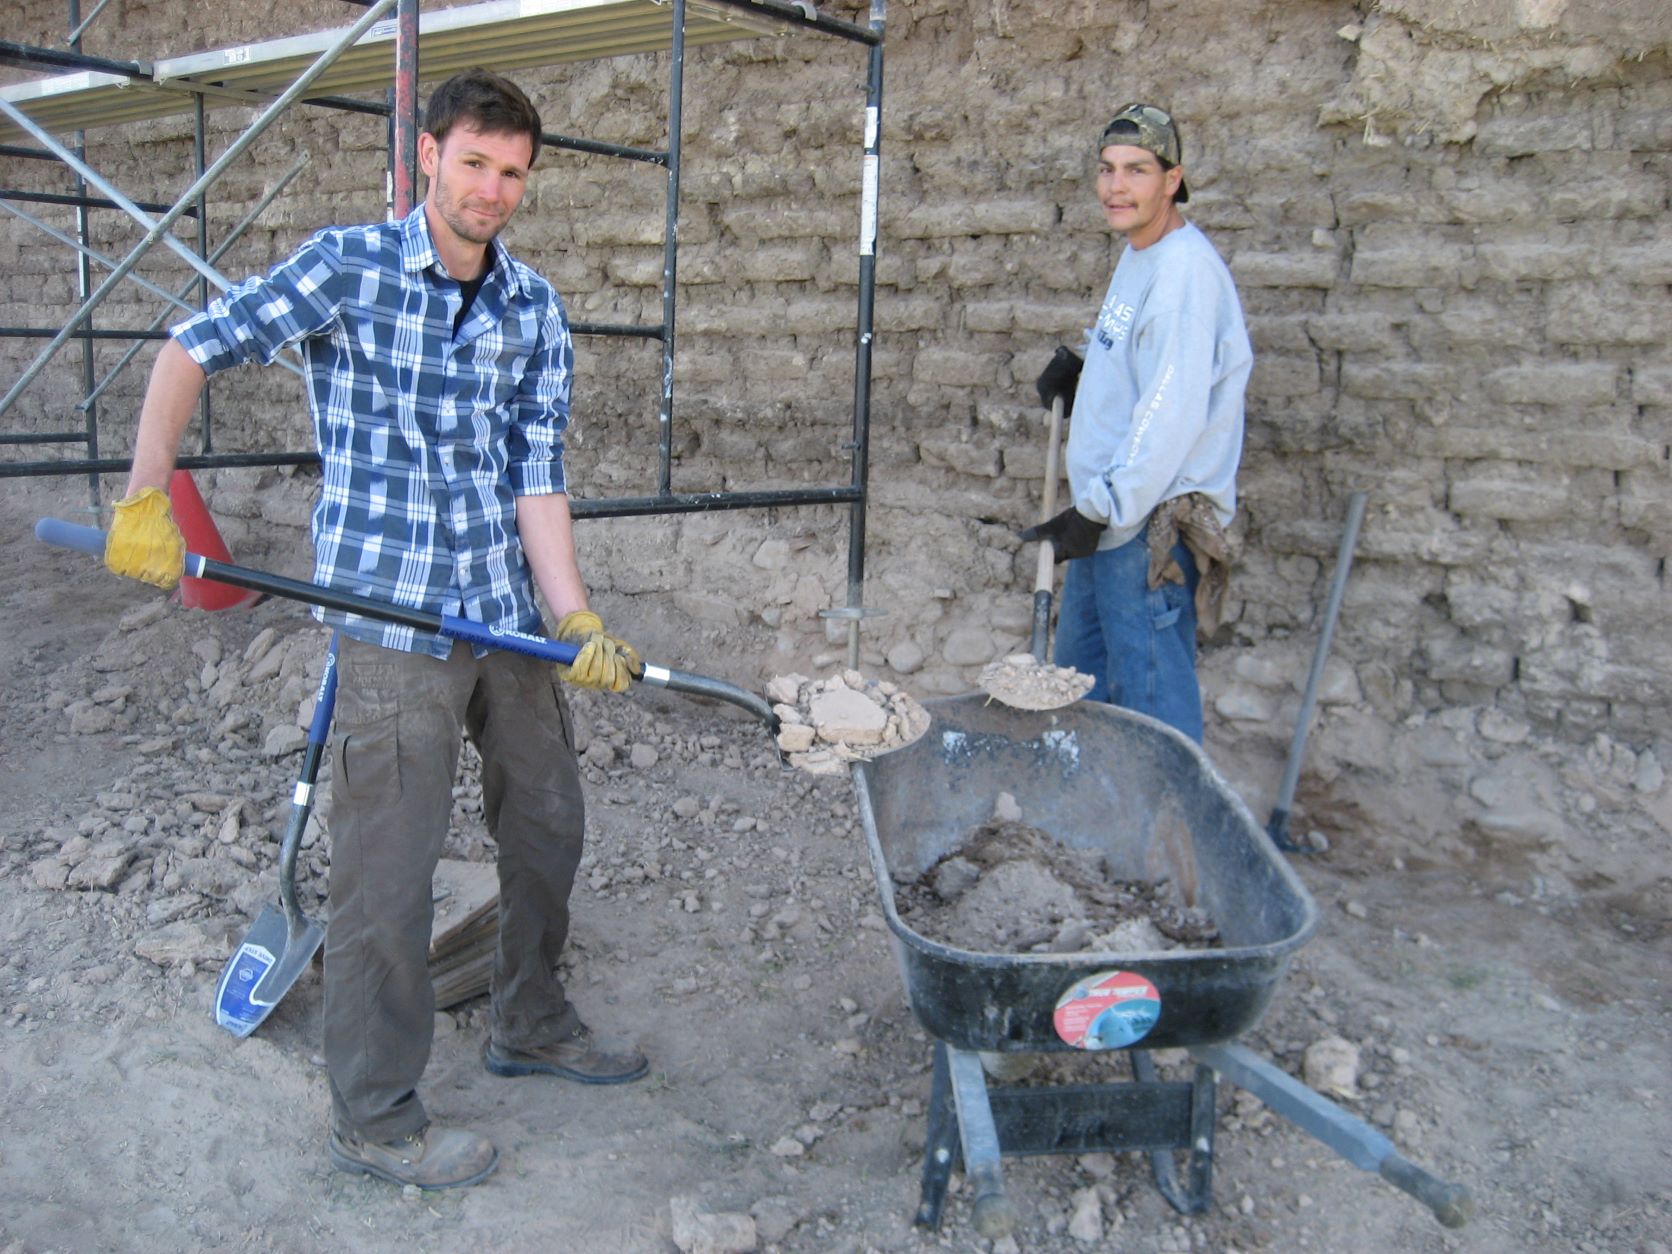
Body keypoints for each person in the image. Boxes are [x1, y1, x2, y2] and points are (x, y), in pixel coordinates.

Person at [103, 68, 649, 1190]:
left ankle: (529, 1019)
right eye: (475, 164)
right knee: (386, 876)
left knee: (547, 822)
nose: (493, 190)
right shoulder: (347, 267)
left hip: (504, 617)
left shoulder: (532, 306)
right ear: (429, 156)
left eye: (513, 174)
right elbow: (192, 346)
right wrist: (145, 491)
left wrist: (573, 612)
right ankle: (376, 1113)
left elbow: (535, 474)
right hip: (390, 617)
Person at [1023, 102, 1252, 743]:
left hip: (1144, 526)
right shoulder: (1141, 252)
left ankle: (1166, 833)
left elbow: (1169, 416)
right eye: (1106, 169)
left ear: (1171, 180)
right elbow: (1144, 358)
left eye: (1136, 171)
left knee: (1154, 706)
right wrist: (1089, 365)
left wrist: (1100, 511)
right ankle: (1086, 827)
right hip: (1108, 520)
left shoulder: (1184, 275)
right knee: (1078, 681)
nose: (1115, 187)